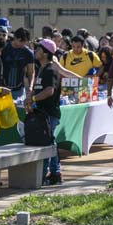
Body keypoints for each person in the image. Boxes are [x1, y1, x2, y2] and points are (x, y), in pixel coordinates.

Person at [28, 38, 63, 184]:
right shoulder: (41, 69)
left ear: (46, 52)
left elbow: (49, 91)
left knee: (47, 143)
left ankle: (46, 175)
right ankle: (55, 173)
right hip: (41, 113)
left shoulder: (50, 70)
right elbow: (38, 89)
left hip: (49, 113)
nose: (35, 51)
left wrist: (33, 99)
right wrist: (30, 98)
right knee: (49, 142)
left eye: (38, 49)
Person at [1, 27, 36, 112]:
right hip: (3, 88)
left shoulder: (28, 53)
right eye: (22, 42)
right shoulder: (4, 48)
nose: (24, 44)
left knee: (18, 114)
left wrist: (30, 87)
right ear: (16, 38)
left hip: (19, 89)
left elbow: (31, 72)